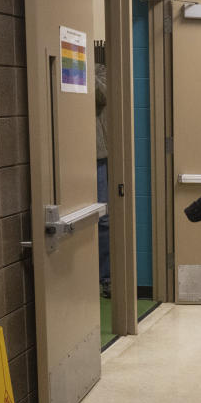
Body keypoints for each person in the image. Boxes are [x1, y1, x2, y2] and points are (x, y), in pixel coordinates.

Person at [95, 62, 111, 299]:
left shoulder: (100, 70)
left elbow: (101, 95)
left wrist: (82, 67)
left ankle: (106, 278)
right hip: (65, 158)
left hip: (96, 157)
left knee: (104, 220)